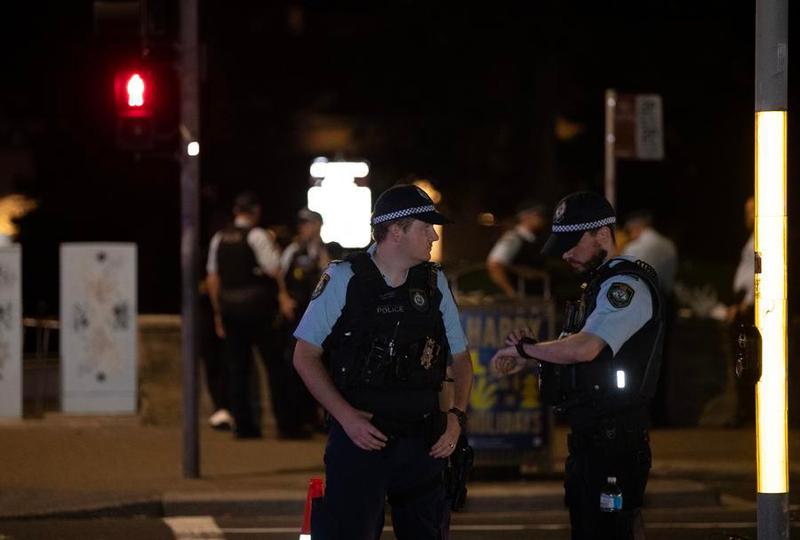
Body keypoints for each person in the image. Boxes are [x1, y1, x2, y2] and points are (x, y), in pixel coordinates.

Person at [293, 184, 473, 540]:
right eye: (425, 227)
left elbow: (461, 359)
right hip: (361, 439)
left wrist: (456, 417)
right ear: (395, 231)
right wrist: (346, 418)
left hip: (423, 440)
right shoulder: (344, 278)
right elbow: (304, 356)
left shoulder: (434, 282)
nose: (434, 236)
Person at [490, 191, 664, 540]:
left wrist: (528, 350)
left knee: (612, 530)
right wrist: (531, 355)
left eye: (572, 244)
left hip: (615, 441)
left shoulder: (624, 286)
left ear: (602, 234)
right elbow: (578, 357)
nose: (565, 254)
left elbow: (585, 349)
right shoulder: (597, 287)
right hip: (593, 438)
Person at [206, 191, 296, 439]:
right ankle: (286, 425)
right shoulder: (257, 235)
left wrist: (217, 312)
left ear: (236, 211)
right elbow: (274, 268)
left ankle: (244, 427)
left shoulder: (219, 238)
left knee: (238, 370)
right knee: (274, 366)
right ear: (255, 211)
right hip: (259, 310)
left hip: (230, 310)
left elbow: (213, 278)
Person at [621, 210, 678, 426]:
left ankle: (638, 413)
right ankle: (660, 414)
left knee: (637, 359)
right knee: (660, 359)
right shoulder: (668, 245)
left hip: (642, 303)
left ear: (635, 227)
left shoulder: (635, 248)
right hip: (665, 302)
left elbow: (623, 274)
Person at [279, 208, 330, 435]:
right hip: (298, 315)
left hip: (320, 317)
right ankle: (299, 419)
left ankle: (320, 418)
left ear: (318, 225)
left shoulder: (325, 250)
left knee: (323, 367)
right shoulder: (293, 250)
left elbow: (330, 275)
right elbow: (280, 276)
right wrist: (284, 298)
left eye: (307, 224)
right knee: (296, 366)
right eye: (301, 224)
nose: (303, 228)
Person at [727, 196, 755, 426]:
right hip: (743, 302)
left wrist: (747, 301)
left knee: (747, 357)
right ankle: (744, 409)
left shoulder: (764, 237)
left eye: (751, 211)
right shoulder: (752, 238)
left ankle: (747, 411)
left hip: (750, 305)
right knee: (741, 357)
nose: (747, 216)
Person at [486, 201, 548, 298]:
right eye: (537, 215)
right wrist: (511, 292)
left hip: (534, 297)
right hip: (522, 299)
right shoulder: (514, 238)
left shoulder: (531, 239)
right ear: (526, 217)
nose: (541, 218)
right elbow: (495, 265)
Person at [621, 211, 677, 297]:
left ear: (635, 227)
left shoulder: (633, 247)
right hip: (663, 296)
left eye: (628, 231)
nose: (629, 235)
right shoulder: (669, 244)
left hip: (639, 295)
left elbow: (624, 277)